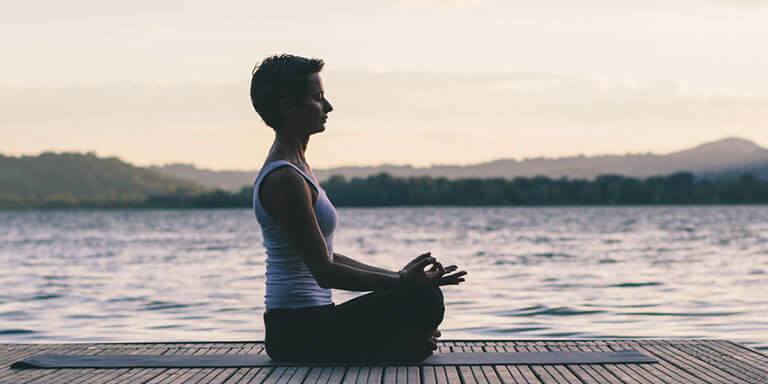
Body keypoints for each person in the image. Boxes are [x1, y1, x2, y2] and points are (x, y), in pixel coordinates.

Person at [250, 54, 467, 363]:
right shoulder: (285, 179)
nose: (328, 107)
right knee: (424, 301)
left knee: (422, 295)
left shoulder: (298, 170)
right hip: (296, 333)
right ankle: (395, 347)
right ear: (287, 107)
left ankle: (397, 345)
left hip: (309, 324)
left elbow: (324, 255)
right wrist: (404, 284)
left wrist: (401, 277)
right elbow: (325, 272)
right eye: (318, 98)